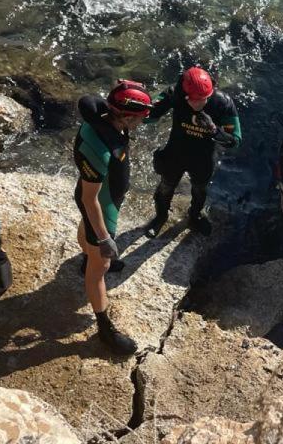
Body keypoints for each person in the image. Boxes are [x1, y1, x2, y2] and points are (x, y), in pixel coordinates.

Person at [73, 80, 152, 355]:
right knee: (101, 267)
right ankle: (105, 328)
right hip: (101, 204)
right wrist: (104, 238)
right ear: (127, 116)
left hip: (104, 196)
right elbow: (89, 199)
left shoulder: (106, 118)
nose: (143, 121)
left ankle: (87, 258)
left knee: (90, 240)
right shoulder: (99, 150)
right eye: (141, 117)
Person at [142, 67, 242, 238]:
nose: (198, 104)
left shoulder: (222, 102)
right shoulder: (175, 93)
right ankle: (161, 216)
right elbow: (148, 117)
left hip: (203, 156)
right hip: (176, 151)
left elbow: (236, 141)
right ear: (185, 93)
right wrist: (142, 104)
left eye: (204, 99)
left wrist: (214, 130)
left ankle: (194, 216)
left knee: (200, 189)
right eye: (193, 100)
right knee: (166, 186)